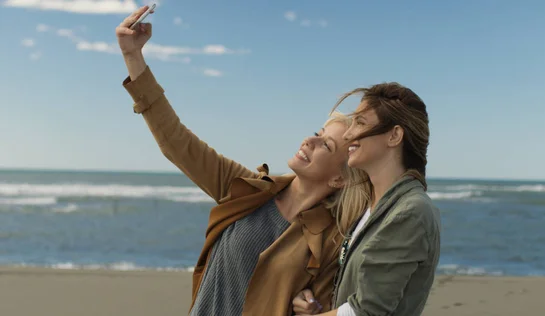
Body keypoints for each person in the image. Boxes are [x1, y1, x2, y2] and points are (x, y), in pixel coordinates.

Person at [115, 6, 372, 316]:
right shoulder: (247, 189)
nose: (310, 140)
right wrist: (133, 57)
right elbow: (177, 142)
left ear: (339, 178)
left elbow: (335, 306)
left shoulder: (330, 242)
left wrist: (313, 308)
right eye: (316, 133)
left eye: (326, 145)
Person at [292, 82, 441, 316]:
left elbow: (366, 311)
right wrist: (315, 303)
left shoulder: (410, 211)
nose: (349, 134)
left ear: (394, 136)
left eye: (360, 123)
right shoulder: (373, 208)